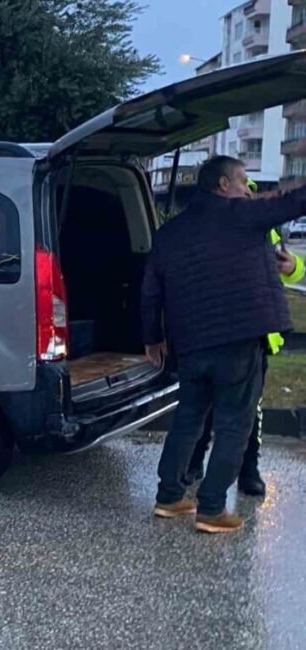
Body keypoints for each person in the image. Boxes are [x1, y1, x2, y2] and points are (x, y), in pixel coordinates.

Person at [142, 156, 306, 534]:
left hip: (191, 344)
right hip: (238, 341)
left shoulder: (170, 232)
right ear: (222, 185)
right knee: (235, 423)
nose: (247, 189)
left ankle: (169, 497)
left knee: (189, 418)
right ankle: (212, 508)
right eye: (242, 181)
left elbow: (150, 290)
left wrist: (152, 338)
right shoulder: (240, 215)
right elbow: (294, 202)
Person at [184, 178, 306, 497]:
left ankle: (249, 470)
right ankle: (194, 464)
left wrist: (292, 266)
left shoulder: (267, 228)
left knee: (251, 410)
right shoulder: (215, 226)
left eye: (252, 193)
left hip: (258, 335)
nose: (248, 197)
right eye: (243, 190)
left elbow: (291, 269)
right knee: (205, 405)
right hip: (218, 329)